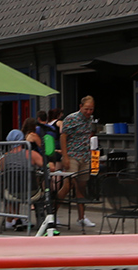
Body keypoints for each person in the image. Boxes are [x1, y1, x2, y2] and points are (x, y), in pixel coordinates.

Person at [58, 95, 96, 228]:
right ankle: (53, 214)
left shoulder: (90, 120)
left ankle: (81, 217)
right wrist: (65, 156)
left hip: (85, 156)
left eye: (91, 109)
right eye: (86, 109)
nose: (89, 112)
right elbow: (63, 137)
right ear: (80, 107)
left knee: (82, 186)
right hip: (72, 155)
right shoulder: (71, 119)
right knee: (68, 185)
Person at [0, 129, 45, 230]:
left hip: (13, 193)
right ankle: (41, 221)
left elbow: (1, 169)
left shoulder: (5, 158)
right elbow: (47, 166)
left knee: (9, 192)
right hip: (32, 193)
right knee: (41, 194)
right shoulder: (31, 154)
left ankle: (16, 218)